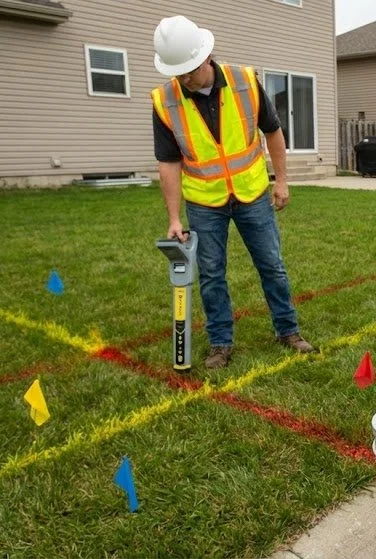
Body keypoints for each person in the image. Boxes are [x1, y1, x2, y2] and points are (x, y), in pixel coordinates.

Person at [150, 15, 317, 369]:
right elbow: (168, 162)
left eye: (189, 71)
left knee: (271, 265)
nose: (183, 79)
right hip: (204, 202)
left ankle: (288, 330)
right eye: (176, 72)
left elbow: (272, 132)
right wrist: (174, 217)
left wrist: (281, 180)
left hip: (252, 193)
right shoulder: (165, 101)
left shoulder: (245, 82)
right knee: (211, 273)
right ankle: (220, 344)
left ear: (205, 57)